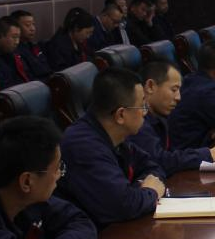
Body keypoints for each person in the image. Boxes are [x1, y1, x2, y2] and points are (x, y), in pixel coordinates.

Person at [57, 69, 168, 228]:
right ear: (120, 115)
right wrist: (151, 192)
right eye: (142, 106)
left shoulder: (113, 133)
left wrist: (138, 190)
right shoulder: (83, 145)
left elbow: (153, 167)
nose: (145, 112)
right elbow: (123, 206)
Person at [132, 61, 215, 176]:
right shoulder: (137, 121)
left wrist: (210, 138)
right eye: (174, 90)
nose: (178, 97)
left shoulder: (161, 117)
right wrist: (211, 154)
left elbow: (175, 154)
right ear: (150, 86)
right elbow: (160, 161)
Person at [0, 16, 31, 89]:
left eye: (18, 37)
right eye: (14, 37)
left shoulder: (16, 54)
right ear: (0, 36)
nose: (17, 42)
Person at [10, 9, 52, 79]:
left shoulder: (34, 46)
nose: (32, 29)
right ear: (16, 28)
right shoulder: (16, 51)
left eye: (33, 24)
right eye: (28, 25)